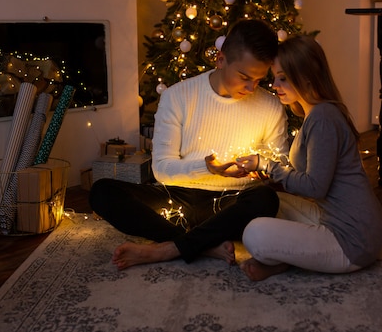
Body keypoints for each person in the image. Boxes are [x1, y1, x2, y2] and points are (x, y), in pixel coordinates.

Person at [89, 19, 288, 269]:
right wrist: (207, 168)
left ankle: (169, 248)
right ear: (220, 59)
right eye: (244, 77)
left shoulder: (270, 107)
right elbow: (160, 169)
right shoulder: (178, 96)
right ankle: (205, 244)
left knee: (266, 199)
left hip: (230, 204)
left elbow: (278, 166)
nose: (250, 88)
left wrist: (261, 169)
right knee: (102, 192)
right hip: (177, 198)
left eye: (259, 80)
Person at [231, 34, 382, 281]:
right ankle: (288, 259)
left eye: (282, 78)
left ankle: (286, 259)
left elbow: (315, 187)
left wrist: (266, 164)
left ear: (305, 77)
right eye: (274, 78)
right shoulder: (315, 113)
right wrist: (267, 173)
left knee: (254, 234)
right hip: (334, 218)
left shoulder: (322, 118)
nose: (273, 85)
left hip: (353, 240)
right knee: (269, 200)